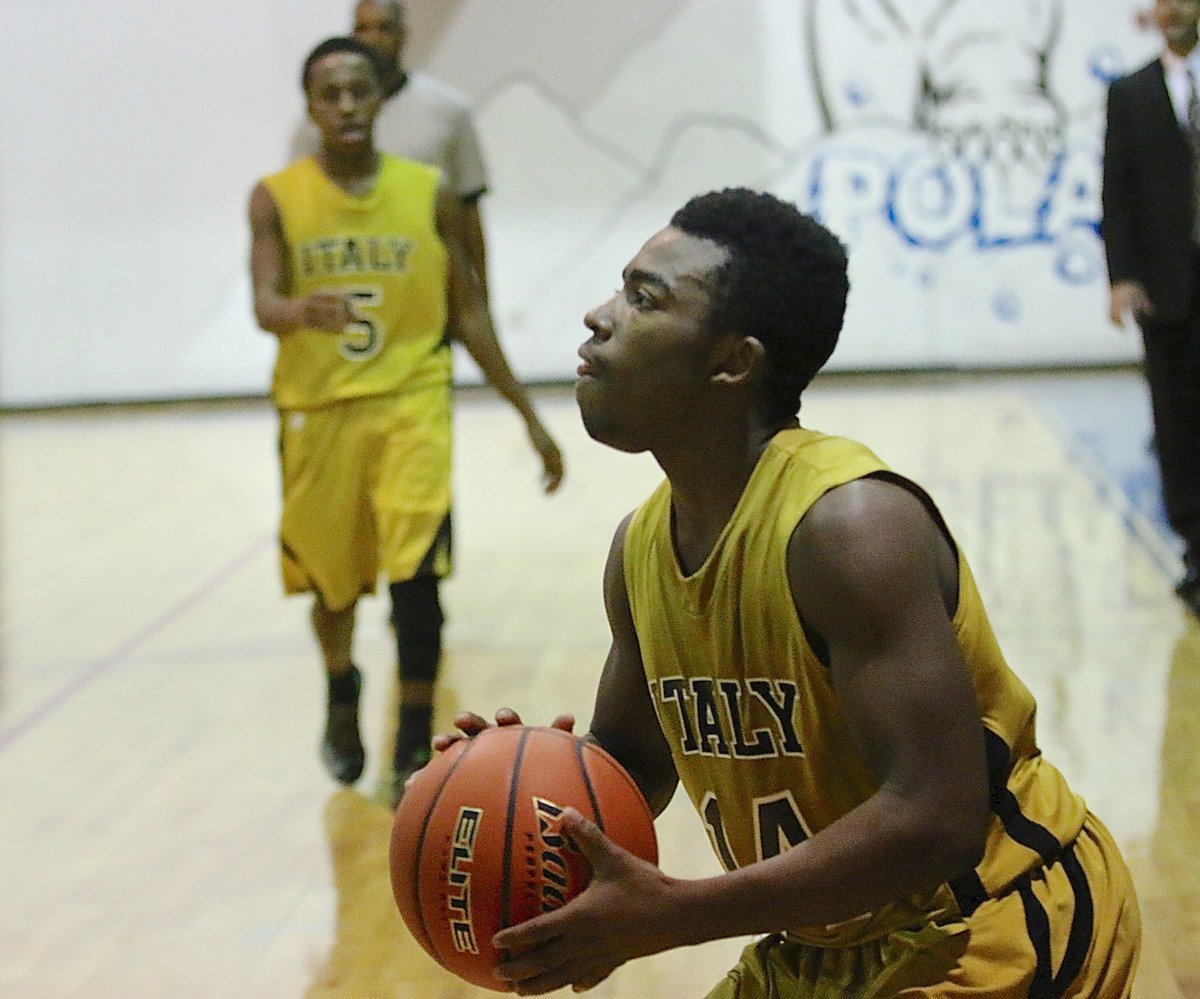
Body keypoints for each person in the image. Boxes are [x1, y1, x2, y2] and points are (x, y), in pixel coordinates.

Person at [431, 189, 1141, 996]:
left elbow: (935, 815)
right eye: (618, 286)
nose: (599, 316)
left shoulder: (850, 527)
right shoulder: (639, 550)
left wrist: (676, 912)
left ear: (733, 361)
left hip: (989, 922)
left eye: (644, 297)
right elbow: (631, 768)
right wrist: (518, 784)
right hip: (827, 941)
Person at [249, 36, 563, 808]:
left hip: (411, 404)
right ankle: (341, 688)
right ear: (313, 109)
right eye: (332, 94)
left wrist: (529, 415)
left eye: (361, 90)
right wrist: (298, 309)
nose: (349, 105)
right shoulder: (276, 196)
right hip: (319, 412)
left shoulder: (427, 191)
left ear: (379, 101)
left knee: (417, 575)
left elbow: (470, 310)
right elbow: (263, 305)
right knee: (332, 587)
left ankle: (413, 738)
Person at [290, 0, 493, 301]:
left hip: (427, 287)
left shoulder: (448, 111)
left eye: (384, 28)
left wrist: (479, 298)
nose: (372, 38)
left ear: (403, 34)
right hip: (348, 286)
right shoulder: (319, 123)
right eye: (362, 28)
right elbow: (298, 212)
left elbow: (469, 214)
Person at [1101, 0, 1200, 615]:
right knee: (1178, 419)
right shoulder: (1130, 94)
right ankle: (1195, 550)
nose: (1173, 10)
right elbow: (1118, 189)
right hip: (1169, 287)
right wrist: (1121, 277)